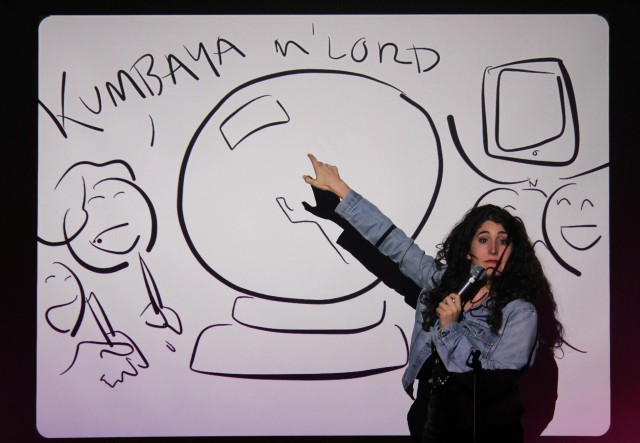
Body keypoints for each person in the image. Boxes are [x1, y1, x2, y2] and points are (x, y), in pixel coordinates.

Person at [302, 154, 564, 442]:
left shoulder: (520, 312)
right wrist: (341, 189)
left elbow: (493, 383)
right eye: (483, 239)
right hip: (430, 418)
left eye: (503, 241)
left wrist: (450, 328)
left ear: (513, 252)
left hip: (483, 428)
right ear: (468, 250)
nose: (493, 249)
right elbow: (396, 244)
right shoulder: (440, 282)